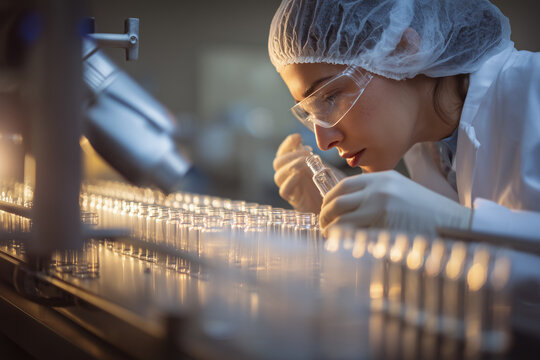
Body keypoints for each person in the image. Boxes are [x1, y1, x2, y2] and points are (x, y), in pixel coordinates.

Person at [268, 0, 540, 239]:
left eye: (329, 97)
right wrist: (353, 214)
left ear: (403, 49)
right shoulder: (428, 148)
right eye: (310, 112)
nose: (323, 141)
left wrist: (462, 225)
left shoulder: (532, 86)